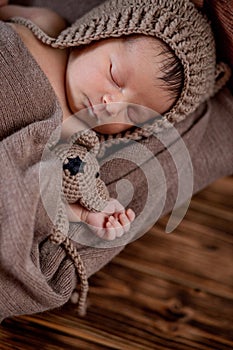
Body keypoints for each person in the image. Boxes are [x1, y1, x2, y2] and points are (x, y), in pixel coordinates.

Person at [0, 3, 186, 240]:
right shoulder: (47, 26)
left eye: (132, 115)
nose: (111, 105)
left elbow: (39, 190)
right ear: (101, 30)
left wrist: (89, 212)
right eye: (115, 77)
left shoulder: (76, 137)